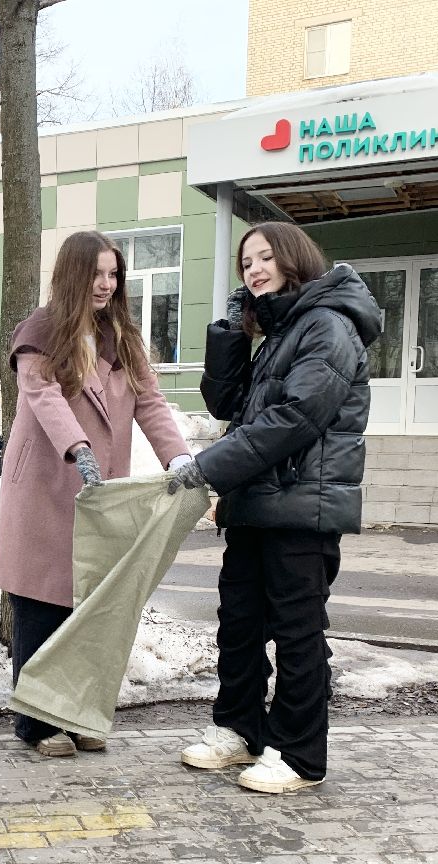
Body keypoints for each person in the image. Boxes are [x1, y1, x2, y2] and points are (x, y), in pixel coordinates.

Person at [167, 221, 379, 793]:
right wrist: (231, 331)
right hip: (259, 503)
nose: (254, 269)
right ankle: (240, 728)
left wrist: (207, 468)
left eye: (264, 258)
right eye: (245, 264)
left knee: (296, 633)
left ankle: (300, 754)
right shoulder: (281, 332)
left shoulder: (328, 328)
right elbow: (227, 401)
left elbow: (294, 419)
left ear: (292, 259)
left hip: (303, 509)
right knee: (239, 624)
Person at [0, 231, 193, 757]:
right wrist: (77, 448)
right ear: (73, 275)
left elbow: (150, 402)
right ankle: (35, 723)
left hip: (99, 493)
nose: (106, 285)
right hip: (46, 486)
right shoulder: (41, 329)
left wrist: (179, 457)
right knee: (41, 604)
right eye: (97, 274)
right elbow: (41, 394)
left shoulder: (121, 335)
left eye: (114, 274)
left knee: (88, 606)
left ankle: (75, 711)